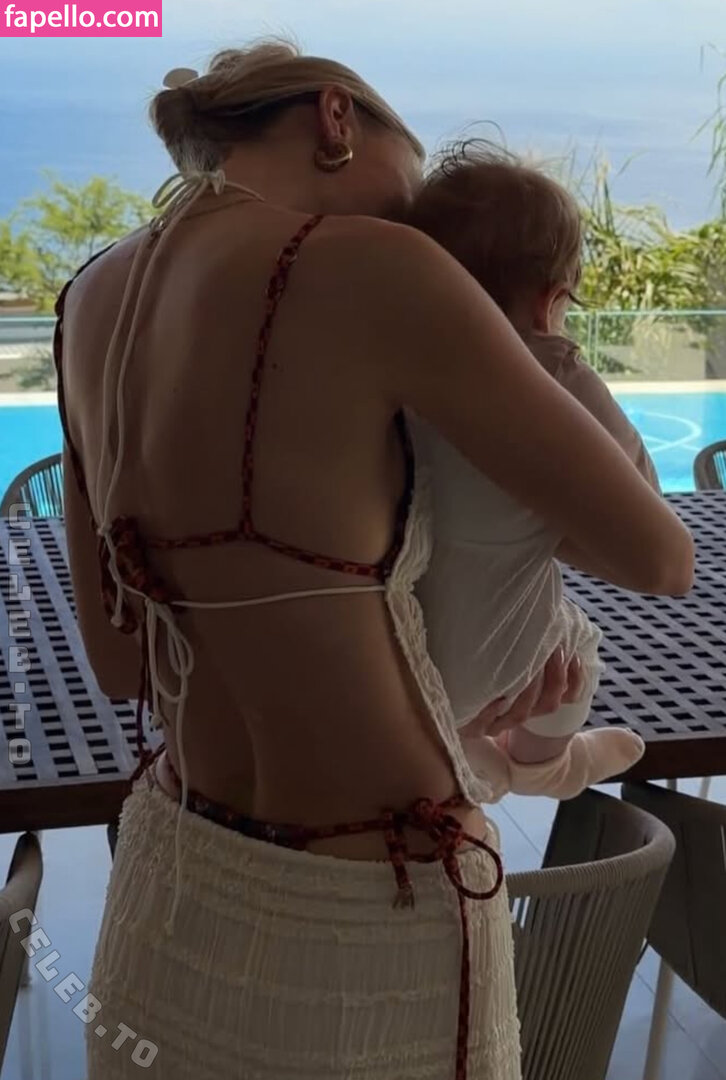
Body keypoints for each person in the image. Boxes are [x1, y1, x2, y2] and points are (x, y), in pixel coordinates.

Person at [56, 41, 694, 1080]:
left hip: (175, 880)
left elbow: (122, 663)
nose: (416, 217)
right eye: (414, 176)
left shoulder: (93, 297)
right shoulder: (371, 266)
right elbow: (659, 556)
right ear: (337, 120)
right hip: (376, 900)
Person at [407, 145, 662, 801]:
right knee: (574, 642)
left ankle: (470, 751)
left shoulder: (397, 365)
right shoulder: (553, 370)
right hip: (498, 669)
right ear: (551, 302)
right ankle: (543, 765)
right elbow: (645, 503)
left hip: (397, 666)